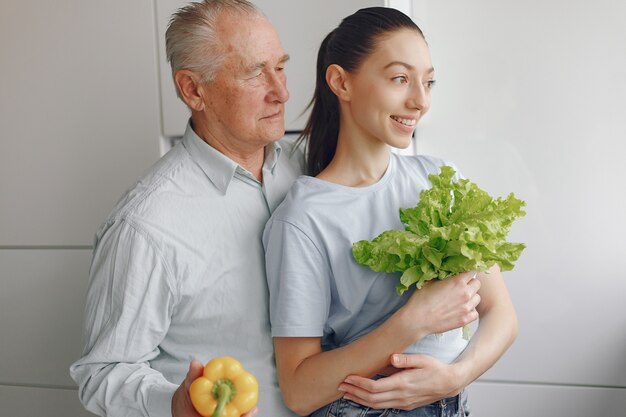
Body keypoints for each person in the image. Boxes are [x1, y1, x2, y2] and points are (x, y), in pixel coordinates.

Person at [263, 7, 518, 417]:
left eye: (428, 81)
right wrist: (413, 322)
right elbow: (299, 389)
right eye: (400, 78)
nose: (420, 100)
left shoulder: (437, 179)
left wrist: (455, 377)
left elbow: (501, 314)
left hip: (454, 402)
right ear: (341, 82)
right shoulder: (303, 218)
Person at [69, 1, 304, 416]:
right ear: (194, 90)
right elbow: (102, 373)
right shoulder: (144, 224)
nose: (281, 91)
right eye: (254, 72)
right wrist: (173, 405)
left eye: (280, 67)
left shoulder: (309, 170)